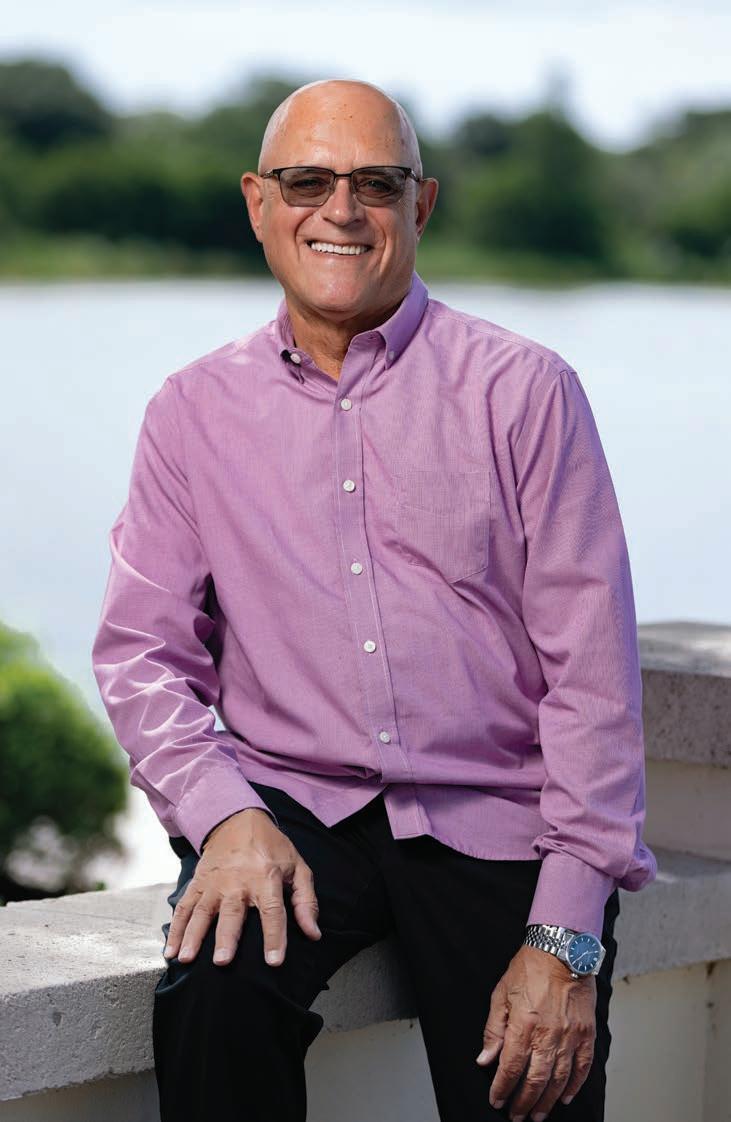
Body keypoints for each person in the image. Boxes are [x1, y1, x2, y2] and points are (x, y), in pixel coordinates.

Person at [91, 77, 657, 1122]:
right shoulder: (190, 412)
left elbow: (591, 678)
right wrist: (221, 816)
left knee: (529, 1087)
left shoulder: (525, 392)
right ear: (258, 202)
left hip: (497, 816)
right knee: (211, 999)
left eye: (375, 184)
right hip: (294, 807)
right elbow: (141, 655)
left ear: (420, 204)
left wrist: (565, 932)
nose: (340, 212)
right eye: (307, 182)